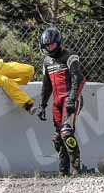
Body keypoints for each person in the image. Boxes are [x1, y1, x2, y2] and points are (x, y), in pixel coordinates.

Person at [36, 27, 85, 176]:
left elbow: (79, 78)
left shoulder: (70, 56)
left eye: (52, 44)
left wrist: (72, 98)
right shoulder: (47, 61)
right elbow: (47, 85)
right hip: (57, 102)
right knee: (58, 138)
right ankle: (63, 172)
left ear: (58, 43)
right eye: (47, 45)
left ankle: (77, 168)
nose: (50, 47)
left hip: (71, 99)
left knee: (66, 133)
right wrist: (43, 104)